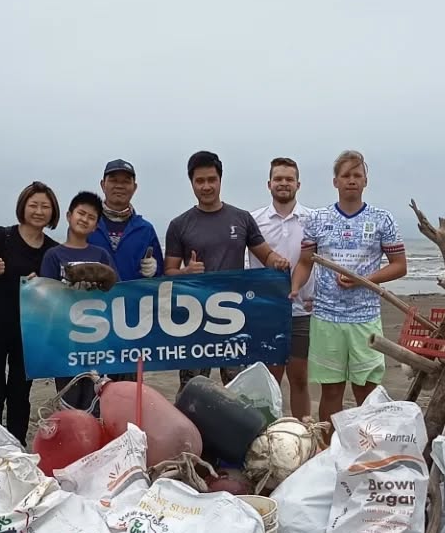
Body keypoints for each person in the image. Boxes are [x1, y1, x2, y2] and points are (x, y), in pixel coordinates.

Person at [290, 150, 407, 422]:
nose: (351, 180)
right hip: (326, 319)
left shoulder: (382, 219)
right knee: (331, 392)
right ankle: (331, 450)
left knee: (367, 393)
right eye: (346, 175)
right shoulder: (318, 219)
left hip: (365, 319)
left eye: (357, 175)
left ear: (366, 181)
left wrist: (364, 280)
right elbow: (306, 262)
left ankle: (366, 451)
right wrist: (295, 286)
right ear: (335, 182)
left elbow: (399, 265)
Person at [165, 150, 290, 387]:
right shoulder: (179, 225)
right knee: (193, 387)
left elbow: (266, 255)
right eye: (200, 181)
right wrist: (185, 272)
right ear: (191, 183)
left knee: (238, 388)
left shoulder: (241, 218)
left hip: (235, 318)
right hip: (195, 321)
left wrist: (279, 262)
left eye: (211, 180)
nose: (206, 186)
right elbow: (168, 273)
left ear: (220, 180)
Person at [0, 181, 60, 441]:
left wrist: (42, 284)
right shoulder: (2, 236)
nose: (39, 211)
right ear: (23, 207)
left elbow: (55, 294)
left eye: (45, 206)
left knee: (20, 394)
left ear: (53, 212)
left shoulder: (53, 250)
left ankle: (16, 448)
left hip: (29, 333)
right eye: (33, 205)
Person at [247, 157, 314, 417]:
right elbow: (244, 263)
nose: (283, 183)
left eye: (289, 179)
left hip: (302, 311)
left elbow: (319, 261)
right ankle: (269, 436)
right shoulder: (254, 220)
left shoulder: (313, 219)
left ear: (298, 184)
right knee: (269, 381)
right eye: (278, 179)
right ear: (269, 184)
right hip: (266, 312)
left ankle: (303, 433)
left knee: (299, 378)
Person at [41, 191, 116, 412]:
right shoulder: (53, 255)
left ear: (95, 226)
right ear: (68, 215)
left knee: (96, 400)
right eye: (80, 213)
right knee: (69, 401)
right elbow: (45, 296)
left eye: (91, 217)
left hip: (98, 341)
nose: (84, 219)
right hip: (65, 342)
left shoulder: (101, 254)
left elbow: (116, 291)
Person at [89, 159, 162, 281]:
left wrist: (155, 270)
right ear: (102, 185)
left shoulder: (146, 230)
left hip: (132, 299)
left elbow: (160, 279)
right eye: (113, 180)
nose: (119, 186)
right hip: (93, 299)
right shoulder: (87, 225)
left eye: (126, 181)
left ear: (134, 187)